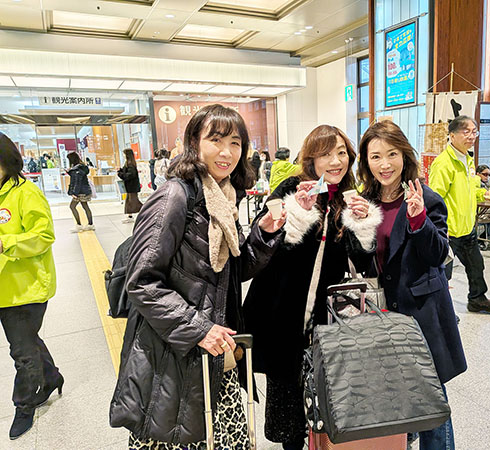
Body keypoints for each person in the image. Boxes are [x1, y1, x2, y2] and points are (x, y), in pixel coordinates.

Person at [109, 104, 286, 449]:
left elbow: (230, 271)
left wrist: (263, 234)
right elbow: (142, 281)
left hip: (214, 355)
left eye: (235, 143)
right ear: (194, 142)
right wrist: (199, 328)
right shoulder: (174, 196)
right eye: (215, 140)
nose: (227, 152)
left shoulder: (222, 197)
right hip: (174, 357)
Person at [243, 125, 381, 450]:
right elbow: (263, 241)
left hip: (327, 318)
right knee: (287, 404)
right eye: (325, 154)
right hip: (281, 313)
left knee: (324, 398)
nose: (335, 161)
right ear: (311, 159)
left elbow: (362, 262)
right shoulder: (292, 188)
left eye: (341, 153)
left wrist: (362, 225)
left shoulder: (349, 199)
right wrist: (298, 214)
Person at [357, 120, 466, 450]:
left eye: (392, 154)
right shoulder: (366, 200)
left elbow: (438, 255)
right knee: (397, 396)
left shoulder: (425, 197)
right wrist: (357, 226)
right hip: (383, 313)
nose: (385, 164)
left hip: (422, 313)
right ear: (366, 161)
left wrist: (418, 220)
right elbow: (362, 262)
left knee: (431, 398)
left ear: (405, 155)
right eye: (376, 156)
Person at [0, 133, 64, 440]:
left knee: (22, 353)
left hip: (25, 290)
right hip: (4, 288)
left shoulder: (26, 193)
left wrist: (6, 242)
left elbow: (44, 235)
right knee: (27, 341)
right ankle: (51, 378)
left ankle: (24, 406)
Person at [429, 116, 490, 313]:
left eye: (474, 132)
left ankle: (477, 299)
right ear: (452, 135)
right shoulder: (443, 163)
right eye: (466, 132)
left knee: (476, 266)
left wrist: (481, 193)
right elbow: (435, 198)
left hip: (467, 227)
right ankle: (441, 311)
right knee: (443, 273)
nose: (471, 136)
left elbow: (467, 189)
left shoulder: (468, 160)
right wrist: (439, 227)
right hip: (449, 230)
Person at [66, 152, 94, 233]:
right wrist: (70, 172)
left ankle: (79, 225)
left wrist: (74, 193)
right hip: (85, 190)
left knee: (72, 206)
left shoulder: (76, 170)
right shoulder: (81, 167)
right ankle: (90, 224)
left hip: (79, 192)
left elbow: (77, 182)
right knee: (85, 206)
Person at [117, 148, 142, 223]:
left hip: (132, 186)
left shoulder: (130, 164)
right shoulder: (128, 163)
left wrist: (120, 174)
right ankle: (130, 216)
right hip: (131, 186)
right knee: (130, 202)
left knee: (134, 202)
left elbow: (130, 175)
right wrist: (120, 170)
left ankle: (147, 211)